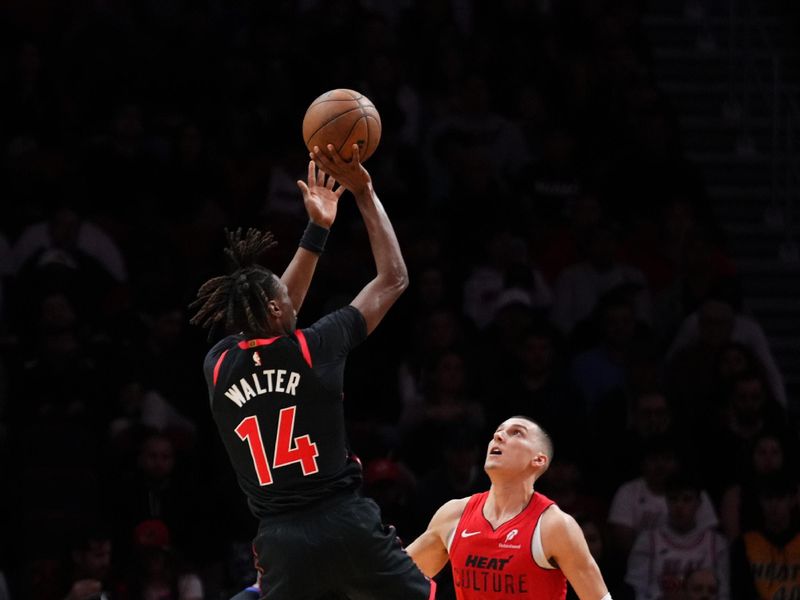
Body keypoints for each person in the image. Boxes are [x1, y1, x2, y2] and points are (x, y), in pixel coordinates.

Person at [190, 144, 433, 600]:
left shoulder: (218, 364)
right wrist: (364, 193)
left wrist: (317, 229)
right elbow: (394, 278)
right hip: (345, 522)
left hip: (280, 543)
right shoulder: (314, 347)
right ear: (277, 306)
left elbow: (276, 311)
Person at [406, 415, 610, 600]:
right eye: (498, 432)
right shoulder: (453, 515)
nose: (498, 436)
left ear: (538, 459)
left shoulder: (555, 526)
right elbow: (396, 577)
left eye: (516, 433)